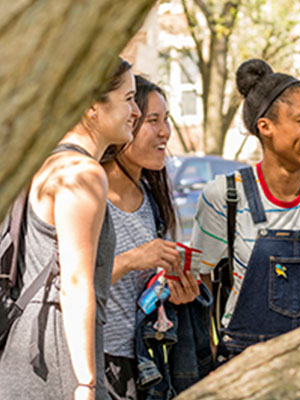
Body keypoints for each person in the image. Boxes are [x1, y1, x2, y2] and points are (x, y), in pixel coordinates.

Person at [191, 58, 300, 359]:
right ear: (266, 126)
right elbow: (201, 279)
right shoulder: (225, 196)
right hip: (244, 364)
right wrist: (209, 348)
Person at [0, 58, 140, 400]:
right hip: (58, 350)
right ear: (93, 107)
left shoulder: (44, 162)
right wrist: (85, 381)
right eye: (129, 98)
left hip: (24, 344)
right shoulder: (81, 173)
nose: (135, 110)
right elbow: (75, 281)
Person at [101, 75, 201, 399]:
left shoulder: (151, 194)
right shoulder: (89, 193)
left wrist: (175, 292)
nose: (165, 132)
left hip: (144, 367)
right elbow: (65, 281)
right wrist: (133, 260)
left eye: (167, 120)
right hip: (95, 365)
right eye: (152, 120)